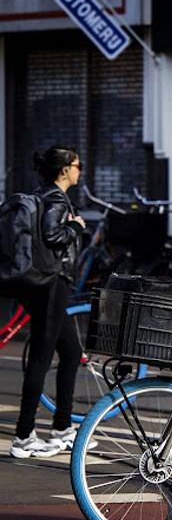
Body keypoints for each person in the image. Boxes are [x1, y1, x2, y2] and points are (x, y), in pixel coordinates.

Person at [7, 146, 86, 458]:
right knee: (41, 357)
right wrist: (76, 226)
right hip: (51, 284)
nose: (81, 170)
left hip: (43, 284)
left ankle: (62, 428)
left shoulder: (42, 194)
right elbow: (53, 236)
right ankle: (24, 436)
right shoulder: (54, 198)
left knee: (71, 351)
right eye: (78, 165)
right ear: (64, 169)